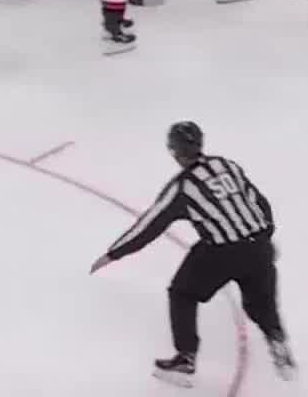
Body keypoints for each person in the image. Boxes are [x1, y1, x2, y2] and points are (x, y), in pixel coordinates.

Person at [89, 122, 296, 386]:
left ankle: (185, 358)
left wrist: (113, 254)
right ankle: (278, 344)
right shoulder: (226, 165)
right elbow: (258, 201)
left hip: (222, 251)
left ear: (174, 151)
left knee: (182, 293)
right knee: (261, 305)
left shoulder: (183, 187)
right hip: (259, 247)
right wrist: (265, 236)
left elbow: (150, 225)